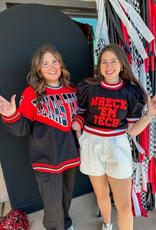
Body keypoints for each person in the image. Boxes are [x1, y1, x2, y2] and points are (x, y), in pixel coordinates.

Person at [72, 44, 156, 230]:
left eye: (113, 61)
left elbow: (132, 131)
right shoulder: (88, 87)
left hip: (117, 146)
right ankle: (107, 225)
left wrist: (149, 114)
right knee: (101, 195)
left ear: (122, 65)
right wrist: (78, 122)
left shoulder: (130, 92)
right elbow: (82, 112)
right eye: (104, 62)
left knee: (124, 205)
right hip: (92, 144)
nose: (108, 66)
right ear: (99, 65)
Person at [0, 44, 80, 230]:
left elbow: (79, 115)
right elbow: (22, 129)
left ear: (61, 64)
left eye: (55, 62)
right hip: (46, 160)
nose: (52, 67)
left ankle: (66, 223)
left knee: (66, 197)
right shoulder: (31, 93)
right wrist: (11, 114)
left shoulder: (71, 89)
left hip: (69, 156)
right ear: (38, 69)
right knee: (52, 205)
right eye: (45, 64)